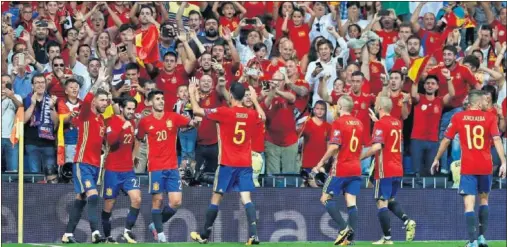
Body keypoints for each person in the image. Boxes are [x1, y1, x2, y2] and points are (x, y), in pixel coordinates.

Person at [188, 79, 264, 245]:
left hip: (227, 163)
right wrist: (256, 100)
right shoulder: (251, 114)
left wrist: (192, 92)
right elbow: (262, 117)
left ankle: (204, 235)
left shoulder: (224, 112)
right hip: (245, 164)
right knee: (246, 198)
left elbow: (196, 110)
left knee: (216, 198)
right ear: (244, 96)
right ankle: (254, 235)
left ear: (230, 94)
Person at [431, 90, 507, 247]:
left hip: (468, 166)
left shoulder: (459, 117)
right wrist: (504, 161)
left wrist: (437, 158)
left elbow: (446, 140)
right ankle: (481, 238)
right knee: (484, 200)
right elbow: (497, 139)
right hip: (486, 165)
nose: (487, 104)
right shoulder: (490, 117)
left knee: (469, 205)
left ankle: (472, 242)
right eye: (485, 101)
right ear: (478, 103)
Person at [137, 90, 193, 243]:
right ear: (150, 103)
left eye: (162, 98)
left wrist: (193, 99)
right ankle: (160, 234)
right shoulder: (145, 121)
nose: (161, 101)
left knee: (176, 202)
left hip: (172, 167)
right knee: (158, 200)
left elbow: (191, 122)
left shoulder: (173, 117)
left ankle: (155, 225)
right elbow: (139, 138)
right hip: (155, 167)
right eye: (157, 99)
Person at [360, 96, 416, 245]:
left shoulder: (380, 125)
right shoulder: (397, 123)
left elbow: (377, 147)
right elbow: (388, 133)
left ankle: (387, 239)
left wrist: (361, 156)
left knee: (381, 202)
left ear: (379, 108)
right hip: (398, 168)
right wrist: (376, 121)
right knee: (389, 200)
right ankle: (407, 221)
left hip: (384, 168)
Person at [312, 95, 363, 245]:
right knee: (351, 202)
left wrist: (321, 162)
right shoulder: (359, 123)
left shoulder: (338, 123)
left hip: (341, 167)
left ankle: (343, 228)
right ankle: (350, 240)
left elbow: (334, 146)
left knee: (325, 198)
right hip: (356, 167)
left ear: (340, 107)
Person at [61, 88, 110, 244]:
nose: (105, 103)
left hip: (96, 165)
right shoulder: (87, 114)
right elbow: (87, 100)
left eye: (107, 100)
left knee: (81, 197)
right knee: (93, 195)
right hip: (83, 162)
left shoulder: (101, 120)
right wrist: (98, 82)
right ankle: (95, 232)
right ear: (94, 101)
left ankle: (68, 234)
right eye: (102, 99)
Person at [100, 97, 141, 243]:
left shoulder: (133, 122)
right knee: (109, 205)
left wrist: (133, 157)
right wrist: (122, 127)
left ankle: (127, 231)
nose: (131, 111)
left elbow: (136, 141)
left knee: (137, 199)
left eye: (133, 109)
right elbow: (111, 141)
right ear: (122, 108)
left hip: (128, 171)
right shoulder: (113, 121)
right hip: (112, 171)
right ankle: (108, 236)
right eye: (128, 109)